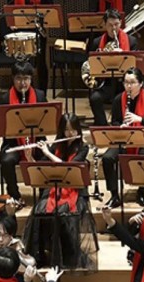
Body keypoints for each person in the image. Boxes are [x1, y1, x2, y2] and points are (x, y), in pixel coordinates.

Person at [24, 113, 99, 270]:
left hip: (74, 189)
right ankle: (43, 253)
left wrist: (47, 153)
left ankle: (68, 253)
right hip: (55, 187)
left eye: (73, 130)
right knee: (39, 210)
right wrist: (30, 157)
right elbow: (41, 168)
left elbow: (69, 167)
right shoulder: (56, 146)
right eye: (66, 130)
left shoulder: (83, 148)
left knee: (62, 212)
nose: (70, 134)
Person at [101, 67, 144, 208]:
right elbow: (114, 121)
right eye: (126, 82)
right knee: (107, 158)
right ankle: (115, 195)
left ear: (140, 84)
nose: (128, 86)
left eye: (132, 82)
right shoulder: (118, 99)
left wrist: (140, 119)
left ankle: (142, 191)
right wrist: (120, 126)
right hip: (124, 139)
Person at [0, 61, 48, 203]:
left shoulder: (40, 96)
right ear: (13, 79)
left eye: (26, 78)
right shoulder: (5, 99)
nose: (23, 83)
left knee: (47, 158)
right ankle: (15, 195)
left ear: (31, 79)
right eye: (19, 78)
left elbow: (49, 122)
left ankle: (44, 196)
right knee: (6, 160)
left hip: (37, 142)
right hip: (13, 143)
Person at [4, 0, 53, 91]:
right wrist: (11, 22)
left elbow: (50, 10)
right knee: (20, 62)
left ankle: (41, 92)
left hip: (38, 30)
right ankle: (19, 90)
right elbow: (9, 8)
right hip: (19, 31)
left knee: (41, 62)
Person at [86, 9, 137, 127]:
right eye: (110, 25)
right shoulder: (96, 42)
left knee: (121, 98)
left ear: (121, 23)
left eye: (116, 24)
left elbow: (134, 67)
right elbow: (91, 64)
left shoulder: (131, 41)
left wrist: (123, 54)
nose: (113, 28)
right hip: (106, 83)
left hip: (124, 84)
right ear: (104, 25)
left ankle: (119, 125)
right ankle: (102, 126)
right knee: (95, 98)